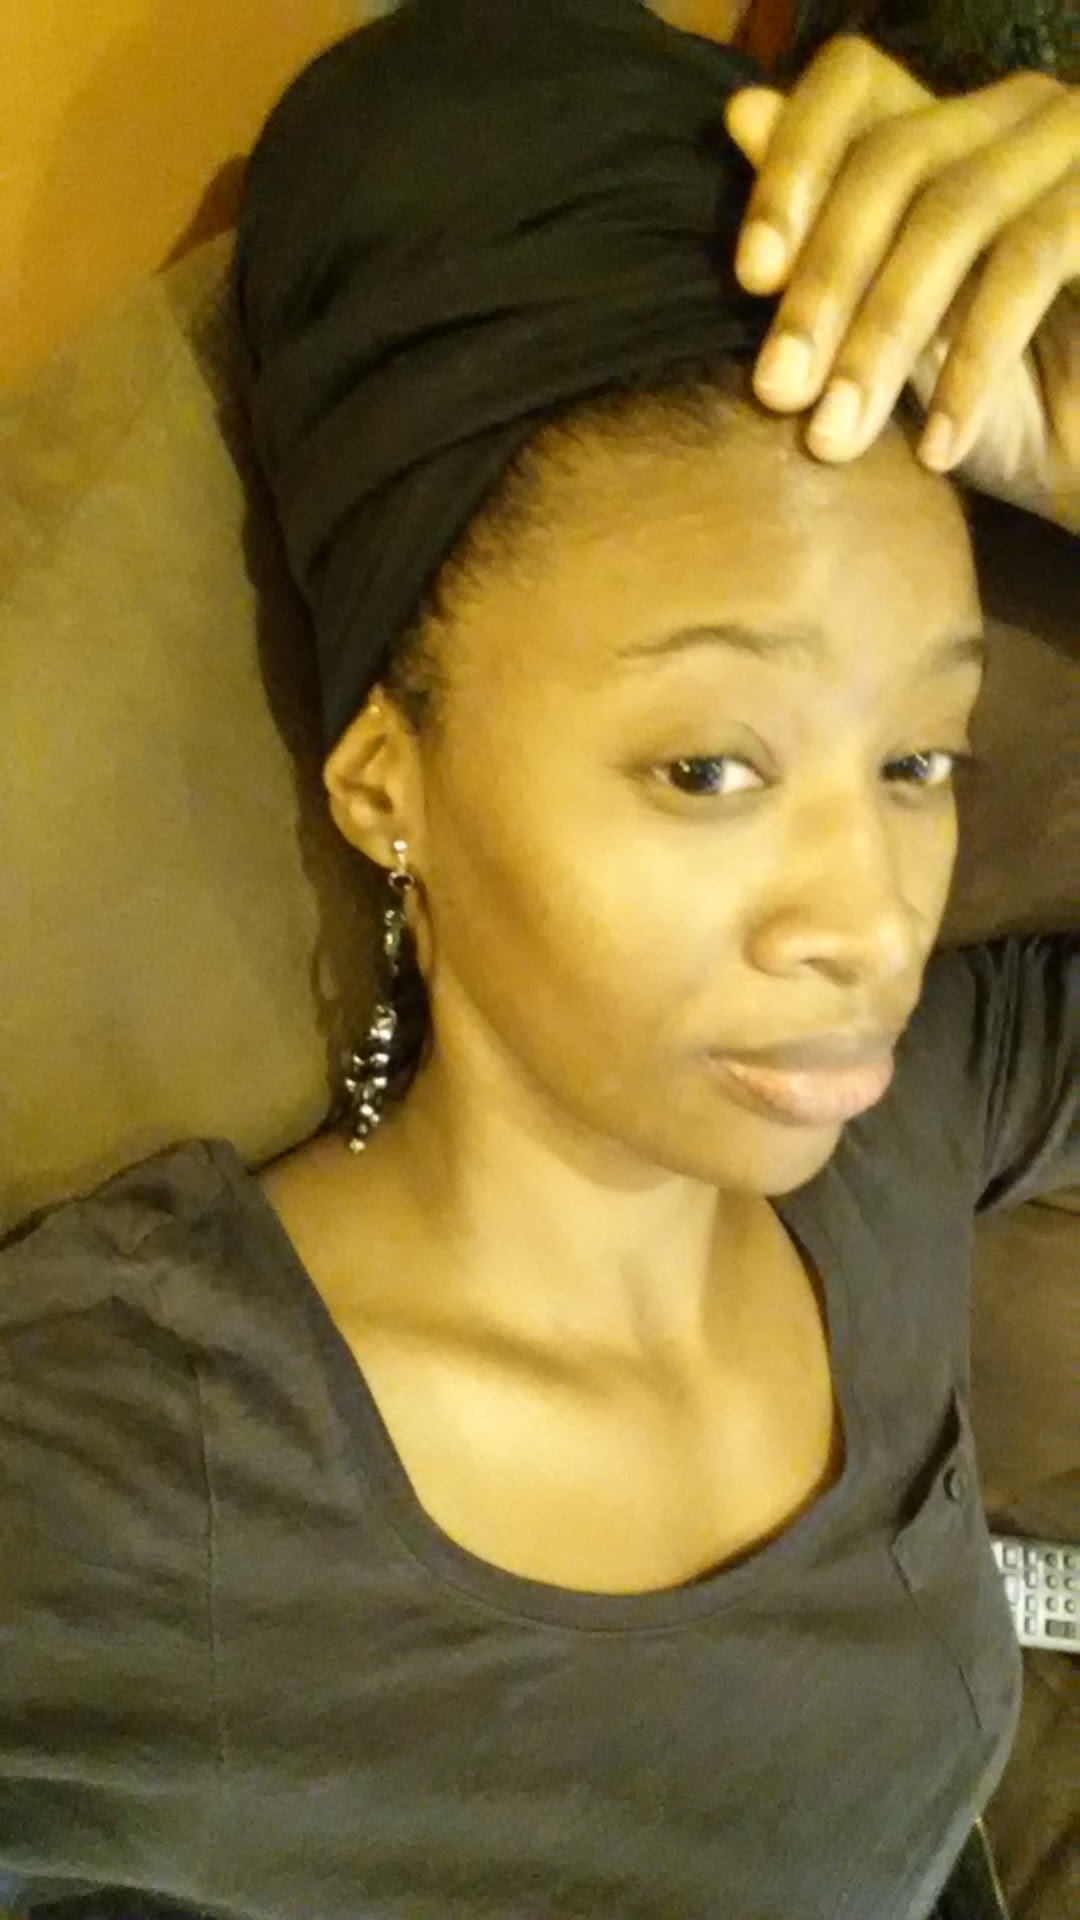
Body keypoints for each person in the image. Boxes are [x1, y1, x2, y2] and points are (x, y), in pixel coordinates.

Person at [0, 3, 1075, 1916]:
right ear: (385, 781)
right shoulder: (112, 1472)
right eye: (709, 767)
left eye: (920, 761)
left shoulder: (899, 1134)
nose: (867, 921)